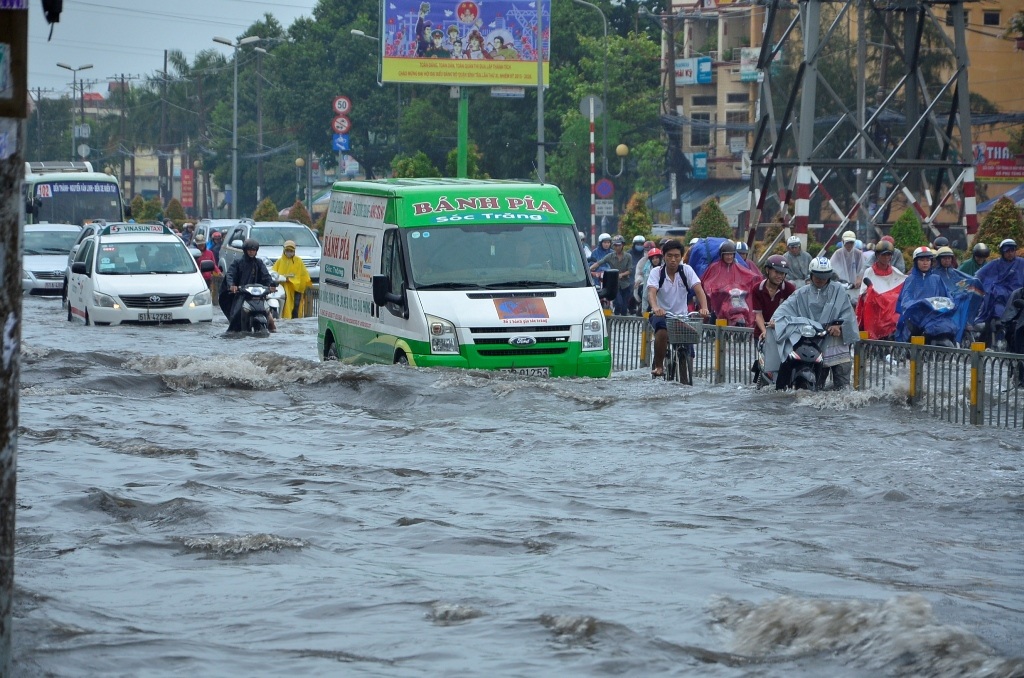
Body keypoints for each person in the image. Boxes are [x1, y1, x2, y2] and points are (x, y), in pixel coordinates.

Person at [765, 256, 860, 390]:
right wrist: (778, 323)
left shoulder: (839, 290)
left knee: (843, 386)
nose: (821, 279)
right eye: (817, 276)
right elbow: (783, 311)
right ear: (811, 274)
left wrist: (839, 326)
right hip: (815, 345)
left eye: (825, 276)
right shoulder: (801, 293)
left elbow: (848, 314)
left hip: (837, 344)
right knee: (817, 387)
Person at [646, 240, 710, 377]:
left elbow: (699, 290)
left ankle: (687, 377)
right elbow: (651, 292)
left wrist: (704, 308)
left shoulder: (686, 270)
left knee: (689, 347)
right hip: (662, 315)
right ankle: (658, 366)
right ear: (664, 256)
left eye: (676, 256)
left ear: (681, 257)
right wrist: (656, 307)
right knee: (662, 331)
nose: (673, 260)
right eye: (669, 256)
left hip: (682, 317)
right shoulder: (656, 272)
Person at [894, 247, 952, 342]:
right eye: (921, 260)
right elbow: (905, 300)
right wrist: (919, 303)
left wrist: (952, 302)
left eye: (928, 260)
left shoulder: (937, 279)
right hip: (915, 317)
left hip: (934, 316)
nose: (925, 263)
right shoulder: (910, 279)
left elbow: (947, 296)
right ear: (916, 262)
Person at [700, 241, 761, 327]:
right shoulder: (714, 267)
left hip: (735, 303)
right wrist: (717, 290)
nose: (729, 257)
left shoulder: (738, 267)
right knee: (713, 328)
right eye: (727, 254)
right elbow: (706, 282)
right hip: (718, 305)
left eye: (731, 254)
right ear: (722, 255)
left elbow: (748, 277)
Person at [974, 239, 1024, 343]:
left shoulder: (1021, 263)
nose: (1010, 253)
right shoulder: (995, 264)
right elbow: (979, 276)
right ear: (1002, 252)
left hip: (1019, 298)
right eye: (1007, 251)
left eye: (1012, 250)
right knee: (998, 313)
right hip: (1001, 300)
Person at [222, 238, 276, 332]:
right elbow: (230, 275)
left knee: (271, 320)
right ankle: (233, 332)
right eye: (249, 250)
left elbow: (266, 276)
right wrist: (232, 285)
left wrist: (271, 285)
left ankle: (273, 333)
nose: (251, 252)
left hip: (258, 296)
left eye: (253, 250)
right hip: (241, 295)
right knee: (236, 316)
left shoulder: (259, 263)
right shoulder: (238, 262)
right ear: (245, 250)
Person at [856, 241, 906, 339]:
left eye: (889, 255)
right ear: (877, 255)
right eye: (884, 255)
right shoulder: (869, 272)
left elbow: (903, 285)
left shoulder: (895, 272)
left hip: (890, 316)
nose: (887, 258)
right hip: (875, 312)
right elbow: (863, 294)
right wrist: (875, 297)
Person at [751, 254, 796, 341]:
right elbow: (758, 314)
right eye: (776, 272)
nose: (779, 276)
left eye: (782, 273)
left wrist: (779, 324)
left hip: (782, 333)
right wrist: (765, 331)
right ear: (767, 270)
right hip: (761, 333)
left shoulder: (789, 289)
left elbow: (792, 313)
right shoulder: (757, 288)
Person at [590, 235, 633, 315]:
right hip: (615, 284)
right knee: (618, 303)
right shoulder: (610, 256)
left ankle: (622, 324)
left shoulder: (628, 256)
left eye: (619, 245)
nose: (617, 247)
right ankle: (616, 319)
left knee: (624, 308)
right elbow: (599, 263)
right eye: (615, 245)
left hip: (626, 284)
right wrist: (588, 269)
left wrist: (622, 274)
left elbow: (630, 270)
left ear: (623, 245)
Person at [272, 240, 312, 319]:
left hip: (296, 289)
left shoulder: (298, 261)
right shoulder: (279, 261)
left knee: (295, 306)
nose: (289, 253)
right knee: (284, 305)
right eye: (287, 250)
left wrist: (292, 281)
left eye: (291, 251)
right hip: (283, 289)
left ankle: (295, 321)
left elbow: (303, 275)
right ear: (284, 250)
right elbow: (274, 274)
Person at [830, 230, 864, 305]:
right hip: (841, 287)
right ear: (843, 242)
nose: (849, 245)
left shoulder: (858, 254)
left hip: (855, 288)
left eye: (851, 243)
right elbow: (833, 269)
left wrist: (859, 279)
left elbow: (862, 268)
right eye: (847, 242)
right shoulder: (837, 254)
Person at [634, 248, 662, 315]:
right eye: (653, 258)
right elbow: (646, 291)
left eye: (657, 258)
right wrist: (644, 311)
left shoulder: (666, 268)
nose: (655, 260)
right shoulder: (647, 271)